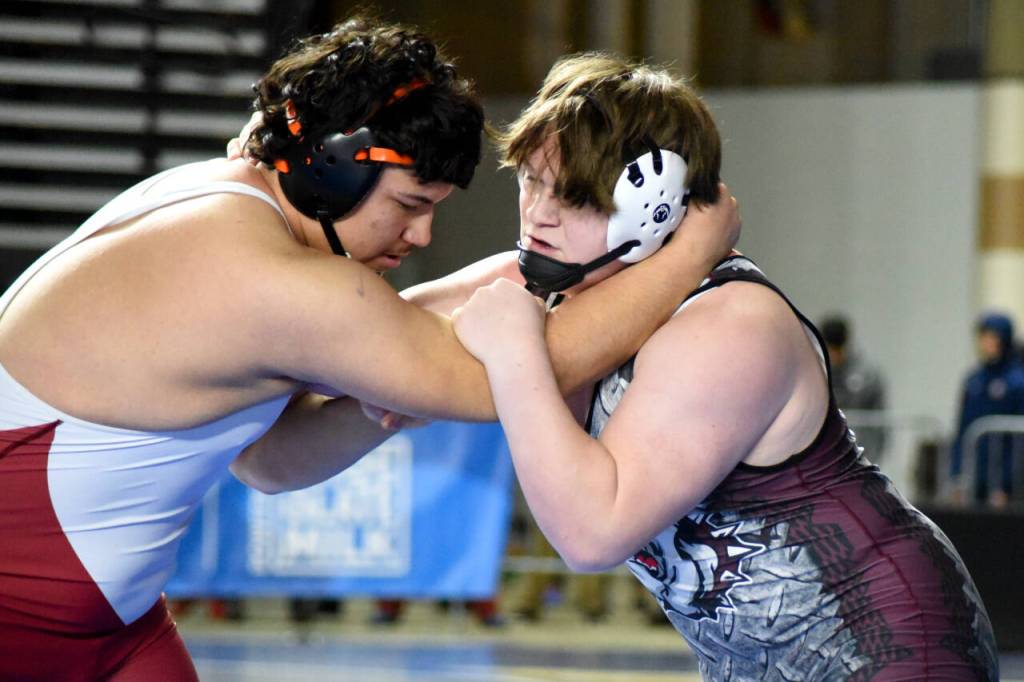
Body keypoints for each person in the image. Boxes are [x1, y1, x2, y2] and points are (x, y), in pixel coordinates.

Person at [0, 17, 740, 681]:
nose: (418, 238)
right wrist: (686, 257)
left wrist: (384, 400)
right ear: (334, 166)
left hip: (111, 622)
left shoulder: (221, 208)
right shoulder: (273, 281)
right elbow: (506, 383)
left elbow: (269, 460)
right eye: (409, 207)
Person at [451, 53, 999, 680]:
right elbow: (393, 332)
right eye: (529, 180)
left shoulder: (729, 325)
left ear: (652, 204)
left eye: (571, 195)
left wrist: (517, 357)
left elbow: (591, 534)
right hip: (755, 659)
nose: (536, 214)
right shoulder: (568, 282)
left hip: (886, 645)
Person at [950, 311, 1024, 508]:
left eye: (992, 337)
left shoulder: (1017, 382)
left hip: (1006, 482)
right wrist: (957, 475)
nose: (986, 343)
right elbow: (962, 430)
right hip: (976, 476)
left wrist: (1006, 485)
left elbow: (1019, 441)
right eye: (983, 337)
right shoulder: (974, 380)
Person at [818, 314, 888, 459]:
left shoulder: (867, 374)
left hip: (858, 449)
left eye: (838, 350)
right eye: (831, 350)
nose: (835, 356)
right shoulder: (814, 371)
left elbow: (878, 417)